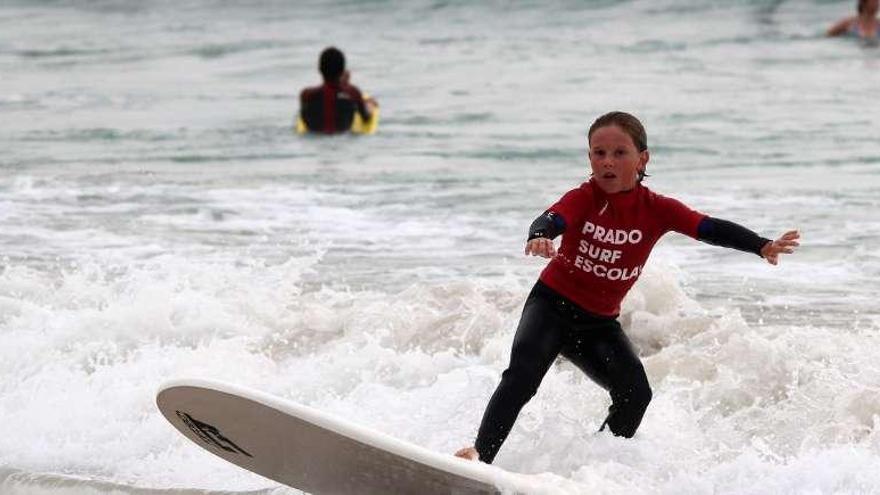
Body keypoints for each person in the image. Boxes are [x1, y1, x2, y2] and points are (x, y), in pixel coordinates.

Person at [454, 111, 800, 464]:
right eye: (598, 153)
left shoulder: (657, 209)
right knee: (522, 377)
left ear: (642, 158)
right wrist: (540, 235)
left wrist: (761, 245)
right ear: (589, 158)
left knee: (636, 394)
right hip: (551, 307)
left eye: (619, 153)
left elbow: (708, 227)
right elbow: (553, 217)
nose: (607, 161)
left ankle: (592, 469)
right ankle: (478, 458)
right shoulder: (583, 197)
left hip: (597, 325)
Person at [299, 47, 378, 134]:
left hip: (314, 138)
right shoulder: (353, 92)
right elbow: (366, 118)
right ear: (342, 71)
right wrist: (370, 105)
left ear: (319, 69)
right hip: (343, 137)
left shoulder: (306, 94)